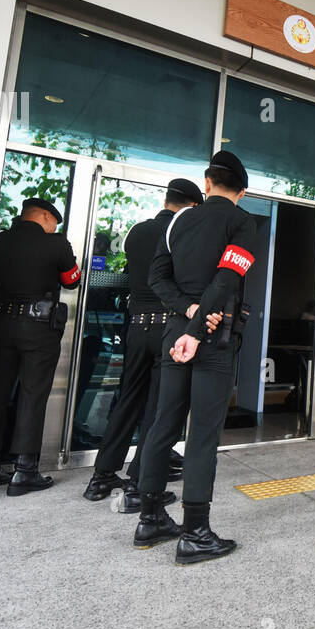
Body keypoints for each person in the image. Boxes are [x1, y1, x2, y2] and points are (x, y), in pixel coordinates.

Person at [132, 151, 258, 565]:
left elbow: (157, 279)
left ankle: (150, 517)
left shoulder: (178, 222)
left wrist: (186, 315)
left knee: (163, 423)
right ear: (241, 191)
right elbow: (226, 277)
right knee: (203, 433)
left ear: (206, 184)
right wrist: (199, 323)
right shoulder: (242, 222)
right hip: (212, 339)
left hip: (175, 333)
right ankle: (195, 533)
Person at [81, 179, 204, 510]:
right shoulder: (182, 234)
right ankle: (140, 481)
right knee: (160, 407)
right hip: (167, 327)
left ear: (167, 200)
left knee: (127, 400)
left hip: (136, 327)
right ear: (192, 206)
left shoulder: (136, 232)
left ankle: (102, 475)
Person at [0, 196, 81, 495]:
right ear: (45, 216)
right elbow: (72, 281)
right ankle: (24, 469)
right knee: (33, 394)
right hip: (38, 329)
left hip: (2, 326)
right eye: (53, 220)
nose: (54, 226)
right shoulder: (56, 244)